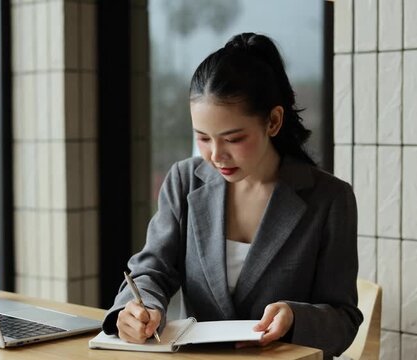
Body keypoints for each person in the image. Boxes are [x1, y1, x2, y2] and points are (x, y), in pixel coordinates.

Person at [101, 32, 363, 359]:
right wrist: (138, 308)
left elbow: (344, 319)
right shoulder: (185, 181)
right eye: (203, 138)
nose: (215, 155)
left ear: (273, 121)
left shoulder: (329, 199)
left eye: (233, 139)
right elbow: (152, 270)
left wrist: (295, 317)